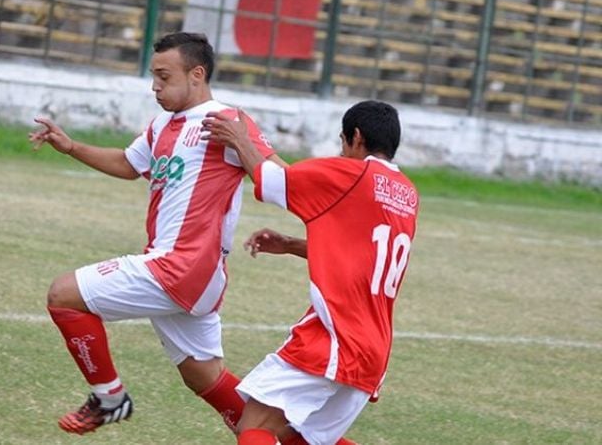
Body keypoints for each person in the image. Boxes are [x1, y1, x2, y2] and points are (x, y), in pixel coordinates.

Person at [28, 32, 284, 436]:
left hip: (182, 265)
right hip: (184, 269)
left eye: (164, 77)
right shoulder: (164, 123)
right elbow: (130, 164)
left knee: (64, 295)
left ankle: (110, 397)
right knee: (205, 378)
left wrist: (242, 144)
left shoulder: (228, 121)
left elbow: (277, 176)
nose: (155, 87)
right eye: (154, 76)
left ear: (196, 74)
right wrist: (71, 146)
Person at [202, 100, 419, 445]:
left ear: (356, 137)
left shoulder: (353, 173)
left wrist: (239, 138)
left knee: (255, 427)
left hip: (335, 336)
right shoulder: (406, 193)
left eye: (343, 142)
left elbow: (272, 181)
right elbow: (359, 250)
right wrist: (290, 244)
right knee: (300, 438)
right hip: (373, 347)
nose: (342, 151)